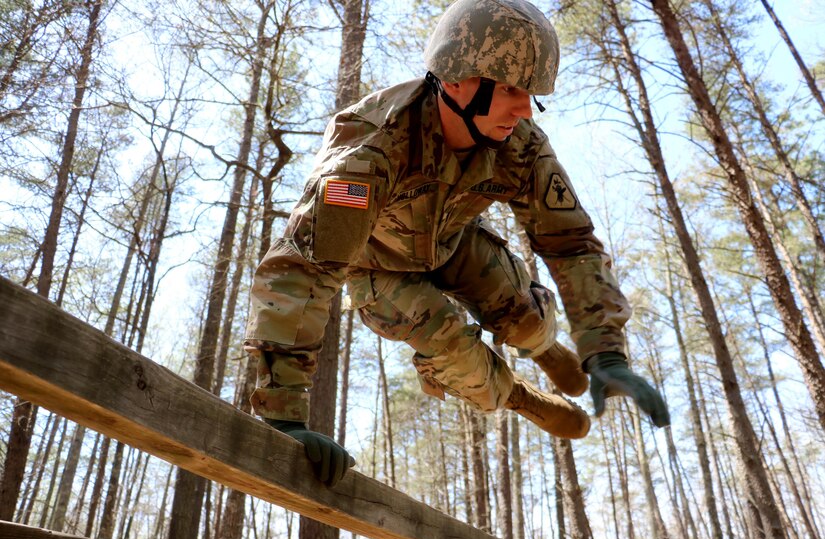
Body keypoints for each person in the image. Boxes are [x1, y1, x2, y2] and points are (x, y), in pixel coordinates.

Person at [244, 0, 670, 487]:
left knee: (528, 320)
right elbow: (302, 271)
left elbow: (571, 244)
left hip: (449, 240)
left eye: (530, 91)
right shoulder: (370, 153)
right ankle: (518, 396)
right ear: (453, 81)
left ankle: (544, 346)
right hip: (377, 267)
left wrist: (606, 351)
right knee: (451, 344)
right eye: (510, 88)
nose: (525, 108)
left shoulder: (521, 145)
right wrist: (284, 414)